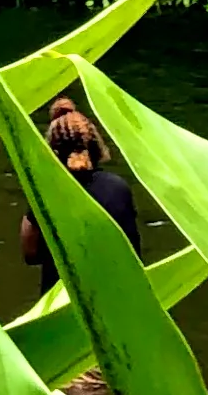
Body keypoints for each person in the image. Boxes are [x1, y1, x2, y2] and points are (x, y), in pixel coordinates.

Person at [17, 101, 137, 284]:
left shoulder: (46, 192)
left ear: (52, 152)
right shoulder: (119, 188)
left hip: (61, 298)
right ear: (95, 146)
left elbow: (31, 255)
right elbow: (133, 252)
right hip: (116, 293)